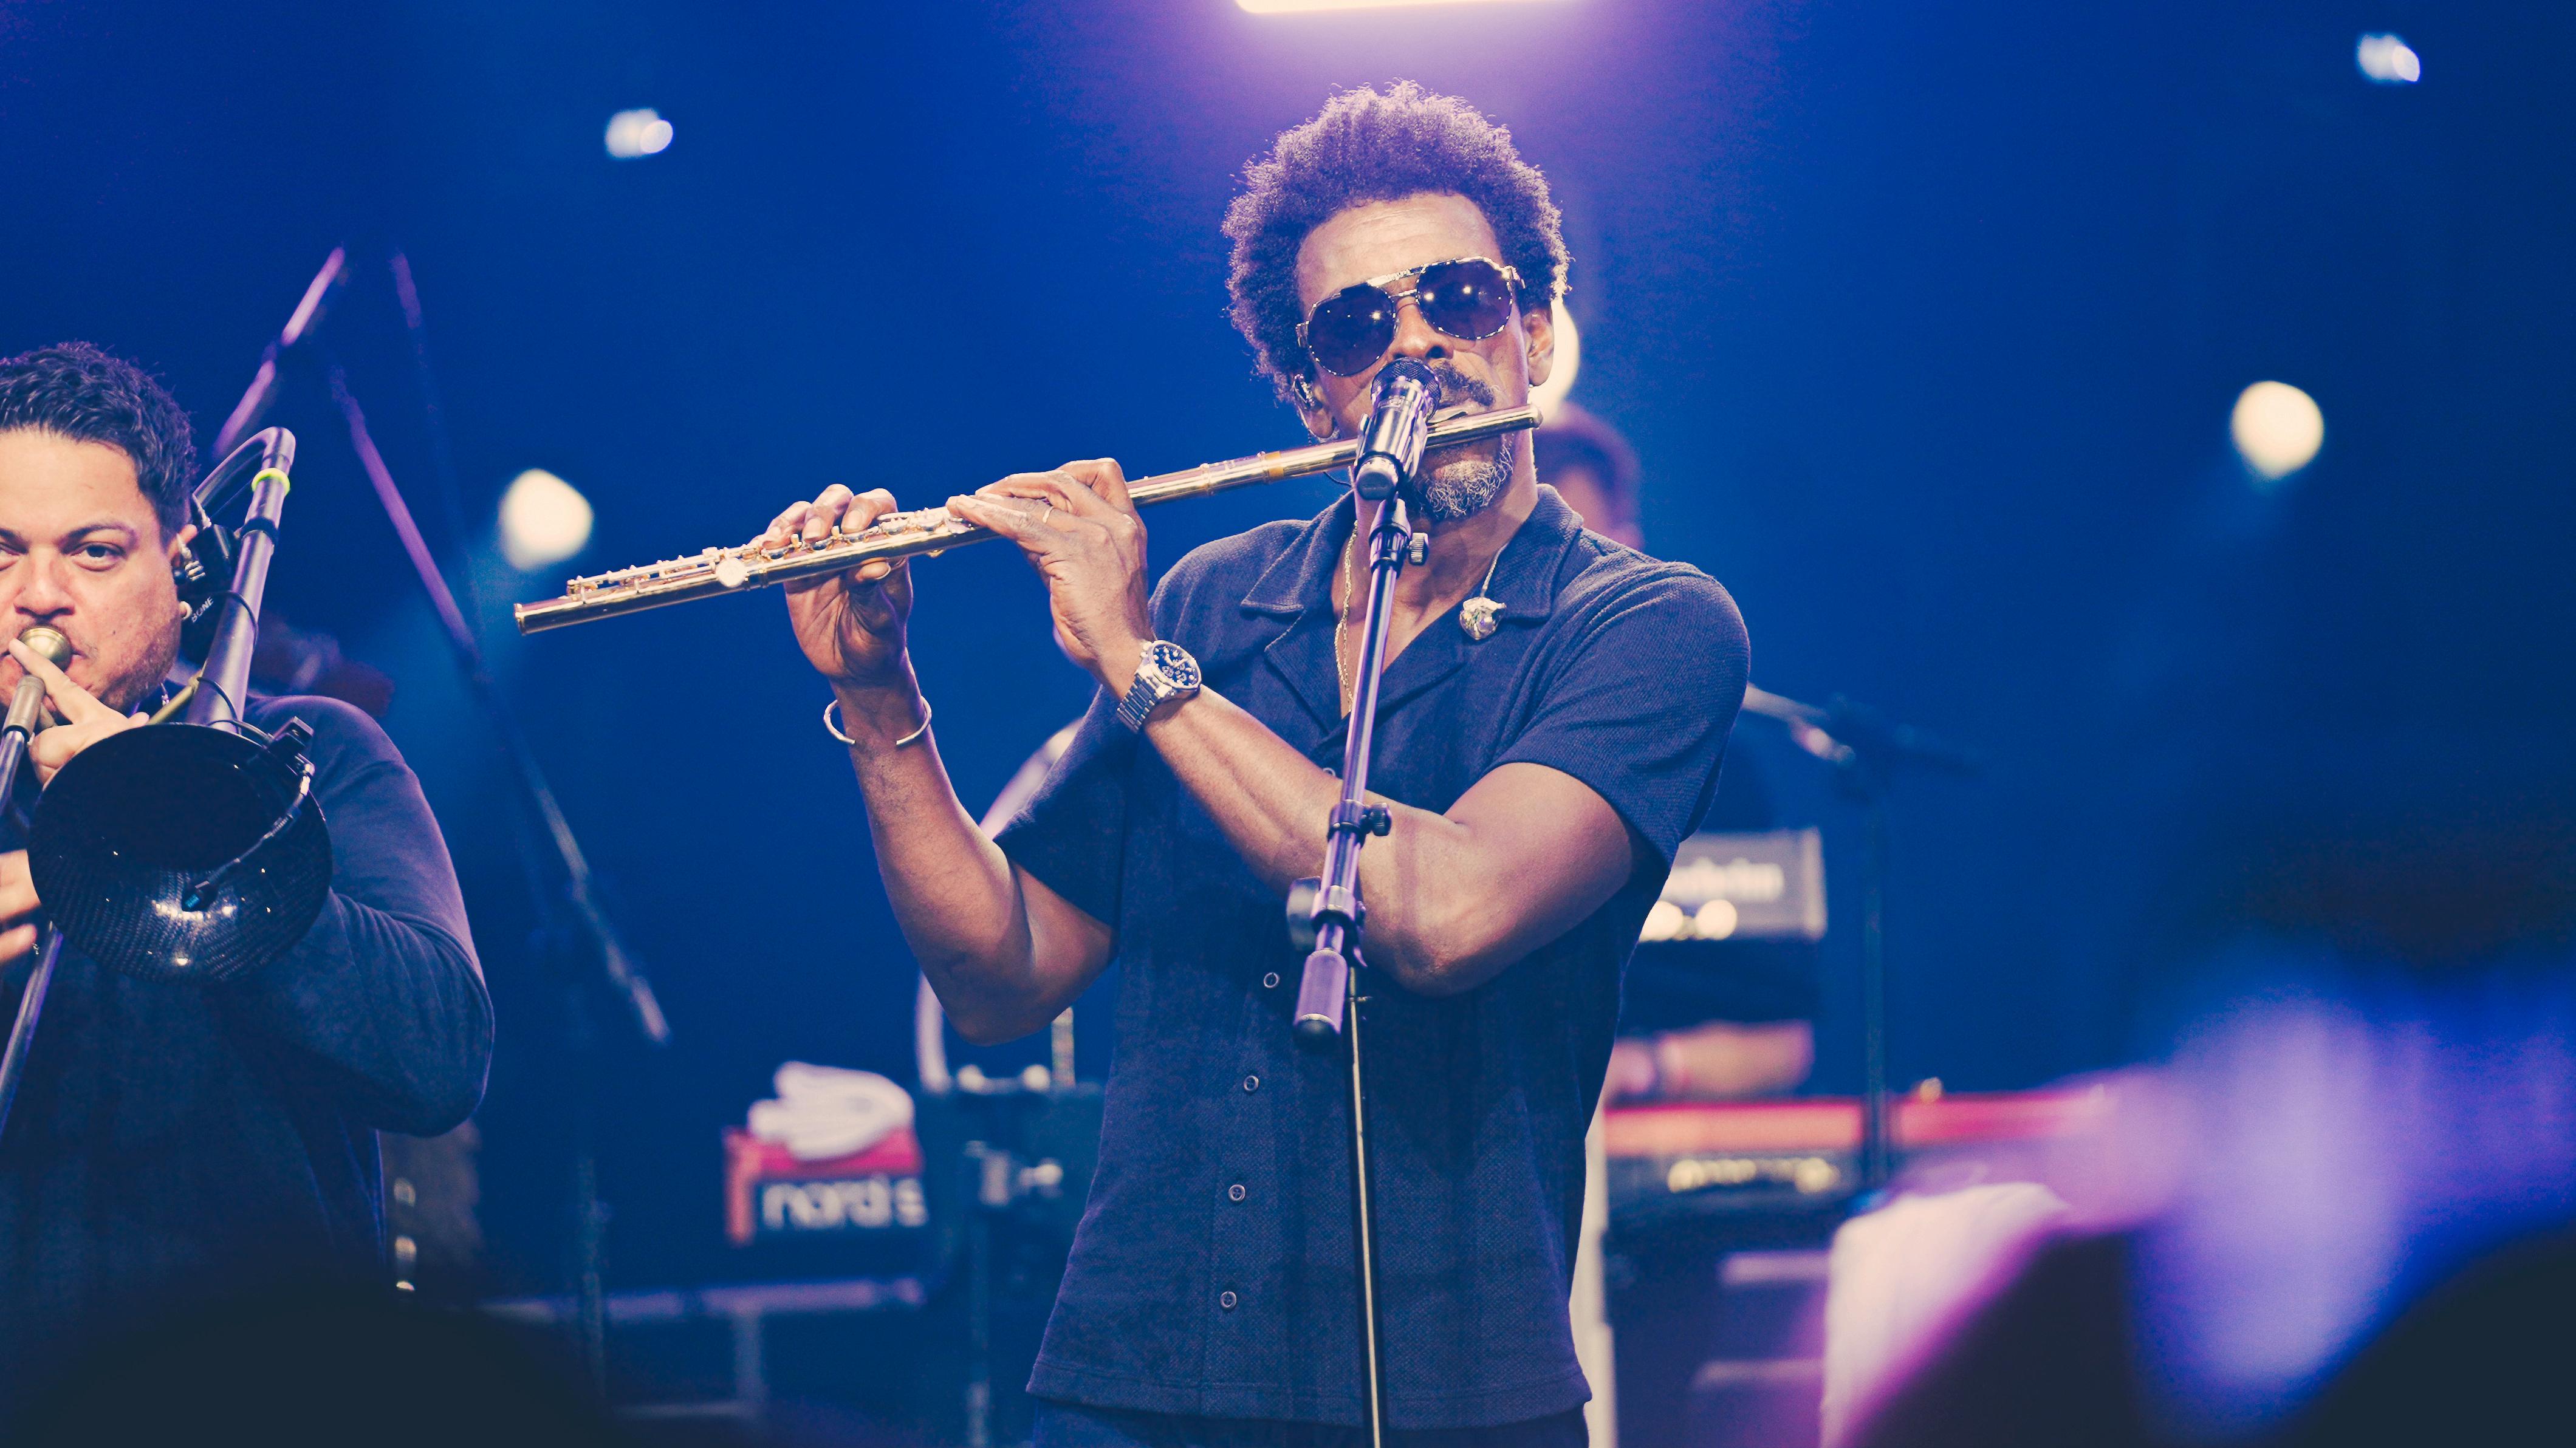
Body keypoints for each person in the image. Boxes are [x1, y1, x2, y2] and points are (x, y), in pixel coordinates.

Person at [770, 85, 1748, 1444]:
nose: (1416, 349)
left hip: (1450, 1390)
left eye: (1457, 299)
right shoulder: (1220, 598)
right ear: (1311, 396)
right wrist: (880, 695)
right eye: (1357, 328)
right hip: (1135, 1377)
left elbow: (1446, 912)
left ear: (1531, 331)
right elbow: (1000, 975)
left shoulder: (1645, 623)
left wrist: (1135, 658)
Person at [0, 343, 493, 1414]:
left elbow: (438, 1059)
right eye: (1, 554)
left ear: (180, 565)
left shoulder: (311, 754)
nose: (38, 597)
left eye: (93, 552)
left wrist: (175, 818)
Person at [1532, 406, 1818, 1100]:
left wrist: (1645, 1069)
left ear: (1629, 551)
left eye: (1583, 547)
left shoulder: (1725, 765)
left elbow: (1785, 1044)